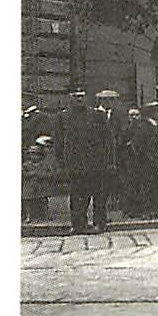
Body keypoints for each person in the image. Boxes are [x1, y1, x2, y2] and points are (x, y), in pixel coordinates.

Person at [54, 90, 117, 233]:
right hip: (74, 165)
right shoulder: (63, 117)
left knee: (99, 196)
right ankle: (78, 224)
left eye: (82, 96)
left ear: (86, 98)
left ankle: (99, 223)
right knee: (76, 196)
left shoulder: (98, 115)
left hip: (97, 164)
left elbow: (108, 141)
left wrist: (110, 161)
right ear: (70, 98)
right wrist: (61, 163)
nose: (79, 99)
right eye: (76, 96)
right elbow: (58, 143)